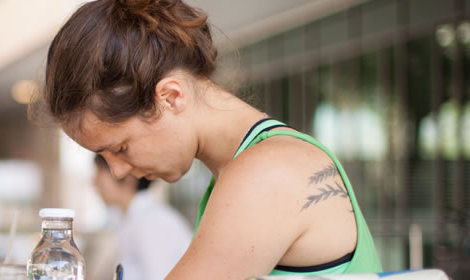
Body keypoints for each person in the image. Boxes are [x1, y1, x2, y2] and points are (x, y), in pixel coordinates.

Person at [38, 0, 383, 278]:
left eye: (120, 147)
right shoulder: (244, 171)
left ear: (171, 97)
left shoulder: (267, 173)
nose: (116, 172)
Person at [92, 154, 191, 280]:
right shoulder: (129, 219)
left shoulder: (152, 222)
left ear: (127, 176)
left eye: (100, 171)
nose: (94, 182)